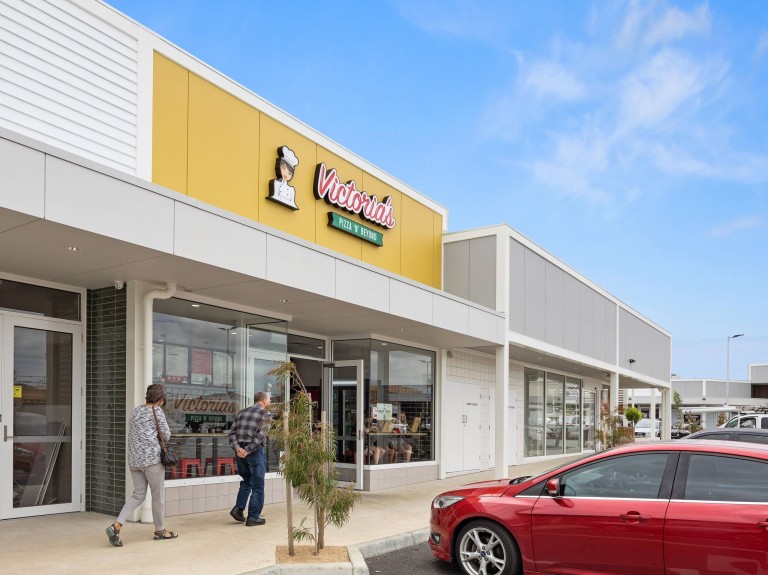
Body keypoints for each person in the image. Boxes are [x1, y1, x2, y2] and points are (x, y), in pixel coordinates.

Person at [105, 383, 178, 547]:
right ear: (160, 399)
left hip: (134, 460)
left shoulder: (135, 411)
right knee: (157, 496)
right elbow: (166, 435)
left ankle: (116, 525)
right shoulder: (157, 411)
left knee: (138, 495)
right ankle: (160, 531)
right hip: (152, 461)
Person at [228, 391, 273, 526]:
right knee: (258, 485)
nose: (269, 402)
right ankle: (253, 517)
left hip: (240, 452)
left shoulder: (241, 412)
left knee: (247, 480)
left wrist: (238, 448)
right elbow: (260, 437)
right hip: (254, 452)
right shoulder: (266, 414)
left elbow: (231, 433)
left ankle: (238, 509)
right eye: (269, 399)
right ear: (264, 400)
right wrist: (247, 450)